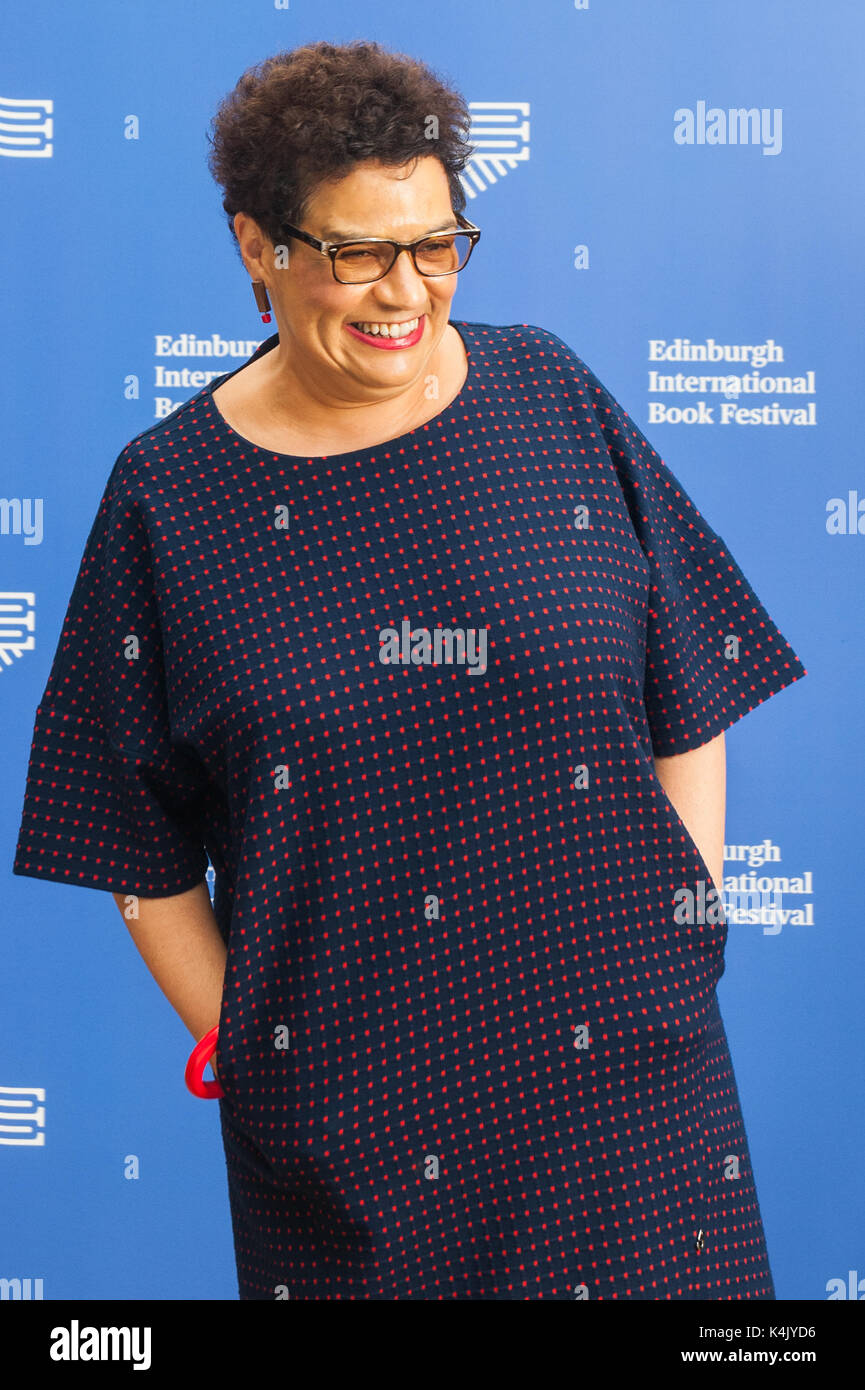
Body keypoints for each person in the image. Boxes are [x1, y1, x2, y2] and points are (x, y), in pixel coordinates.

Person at [12, 39, 806, 1301]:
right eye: (358, 251)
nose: (406, 290)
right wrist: (258, 1056)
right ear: (255, 247)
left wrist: (683, 918)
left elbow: (688, 667)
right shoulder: (168, 499)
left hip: (634, 1111)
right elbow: (124, 840)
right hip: (349, 1162)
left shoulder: (548, 391)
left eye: (436, 243)